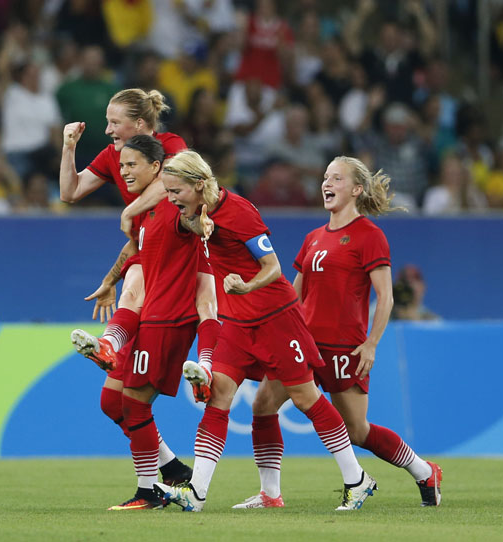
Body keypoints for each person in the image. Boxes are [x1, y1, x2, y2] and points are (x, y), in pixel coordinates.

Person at [153, 150, 377, 512]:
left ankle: (357, 480)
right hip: (237, 323)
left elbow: (272, 267)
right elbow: (191, 229)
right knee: (218, 397)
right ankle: (197, 493)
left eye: (175, 190)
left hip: (275, 316)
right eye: (167, 191)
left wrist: (247, 286)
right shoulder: (195, 211)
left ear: (198, 185)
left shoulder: (238, 211)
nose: (171, 198)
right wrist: (198, 225)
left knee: (306, 398)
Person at [233, 156, 443, 509]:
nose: (327, 184)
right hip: (304, 343)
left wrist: (371, 344)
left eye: (337, 179)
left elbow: (386, 296)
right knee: (263, 405)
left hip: (345, 347)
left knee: (357, 430)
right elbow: (293, 295)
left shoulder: (370, 236)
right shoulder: (313, 237)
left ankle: (424, 471)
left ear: (357, 189)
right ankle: (270, 494)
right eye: (325, 177)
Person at [59, 89, 192, 488]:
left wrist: (131, 210)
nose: (107, 129)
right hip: (145, 251)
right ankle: (172, 470)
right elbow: (69, 193)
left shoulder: (171, 147)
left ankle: (110, 345)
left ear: (140, 124)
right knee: (112, 402)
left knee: (135, 283)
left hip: (175, 261)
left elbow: (173, 183)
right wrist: (68, 149)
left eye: (114, 122)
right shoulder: (112, 155)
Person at [99, 136, 218, 510]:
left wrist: (205, 222)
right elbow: (136, 254)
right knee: (112, 401)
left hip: (168, 320)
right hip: (150, 318)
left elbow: (197, 224)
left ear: (156, 167)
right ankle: (171, 469)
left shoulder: (176, 207)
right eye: (120, 166)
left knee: (133, 405)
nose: (124, 172)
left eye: (132, 164)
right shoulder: (146, 214)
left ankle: (149, 491)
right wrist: (109, 281)